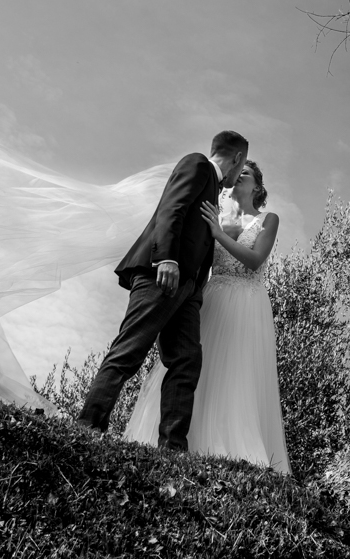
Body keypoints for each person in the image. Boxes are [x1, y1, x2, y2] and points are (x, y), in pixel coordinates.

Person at [75, 131, 248, 451]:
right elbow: (172, 208)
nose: (239, 177)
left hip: (188, 291)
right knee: (129, 350)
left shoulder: (213, 186)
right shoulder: (197, 165)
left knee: (186, 362)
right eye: (242, 168)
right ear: (237, 158)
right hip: (162, 274)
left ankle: (173, 447)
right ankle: (88, 425)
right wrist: (166, 258)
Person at [123, 160, 291, 474]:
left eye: (247, 175)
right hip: (212, 297)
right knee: (199, 364)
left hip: (248, 301)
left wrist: (217, 233)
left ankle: (236, 447)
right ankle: (183, 440)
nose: (239, 177)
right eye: (238, 173)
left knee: (239, 370)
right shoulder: (216, 215)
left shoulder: (269, 219)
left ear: (257, 186)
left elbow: (255, 260)